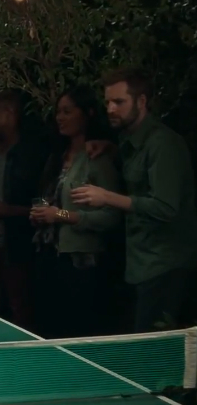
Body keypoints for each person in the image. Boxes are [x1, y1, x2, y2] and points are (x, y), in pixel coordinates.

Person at [73, 67, 197, 332]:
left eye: (119, 102)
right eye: (108, 102)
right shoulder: (129, 140)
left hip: (165, 265)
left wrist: (106, 197)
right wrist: (111, 149)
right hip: (141, 263)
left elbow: (165, 207)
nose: (110, 109)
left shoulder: (163, 144)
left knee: (154, 350)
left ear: (141, 101)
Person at [29, 86, 122, 338]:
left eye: (67, 111)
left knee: (76, 332)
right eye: (58, 112)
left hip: (80, 263)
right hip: (47, 256)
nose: (60, 117)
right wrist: (39, 213)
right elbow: (45, 196)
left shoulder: (97, 158)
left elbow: (112, 217)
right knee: (47, 330)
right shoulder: (56, 157)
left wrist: (59, 215)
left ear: (87, 114)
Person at [0, 90, 49, 329]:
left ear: (9, 113)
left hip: (16, 246)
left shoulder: (33, 154)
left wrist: (11, 210)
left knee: (21, 310)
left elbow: (47, 207)